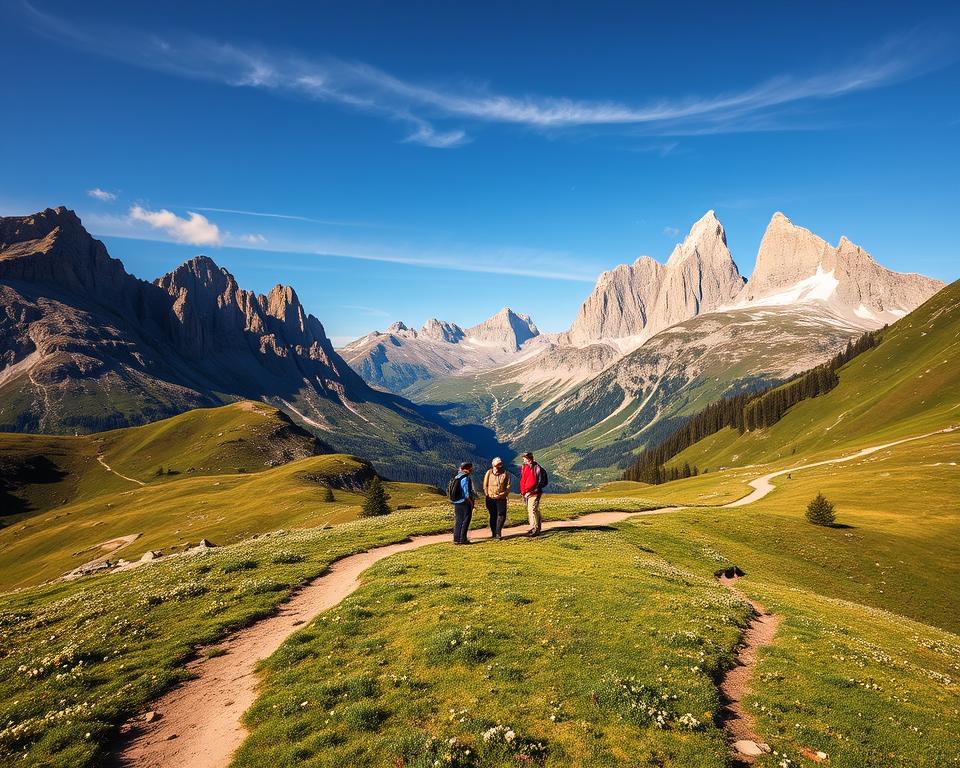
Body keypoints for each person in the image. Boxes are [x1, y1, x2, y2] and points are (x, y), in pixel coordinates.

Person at [482, 457, 510, 539]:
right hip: (490, 498)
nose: (499, 466)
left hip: (501, 498)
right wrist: (487, 494)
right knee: (493, 515)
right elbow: (485, 485)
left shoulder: (505, 474)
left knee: (501, 515)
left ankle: (498, 532)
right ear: (493, 465)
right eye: (497, 465)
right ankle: (494, 532)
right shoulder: (489, 473)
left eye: (500, 464)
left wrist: (503, 494)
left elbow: (508, 486)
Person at [519, 452, 545, 536]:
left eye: (525, 459)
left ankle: (534, 528)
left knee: (532, 509)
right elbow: (523, 479)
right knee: (534, 510)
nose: (523, 460)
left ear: (529, 459)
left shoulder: (537, 468)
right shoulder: (524, 467)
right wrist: (523, 492)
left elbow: (542, 482)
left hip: (534, 493)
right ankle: (537, 527)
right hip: (526, 493)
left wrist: (532, 491)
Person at [450, 462, 476, 544]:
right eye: (471, 468)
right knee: (466, 520)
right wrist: (471, 503)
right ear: (468, 468)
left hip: (456, 502)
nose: (472, 469)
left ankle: (456, 539)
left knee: (458, 520)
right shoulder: (465, 478)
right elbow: (466, 493)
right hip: (464, 502)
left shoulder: (457, 477)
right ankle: (463, 539)